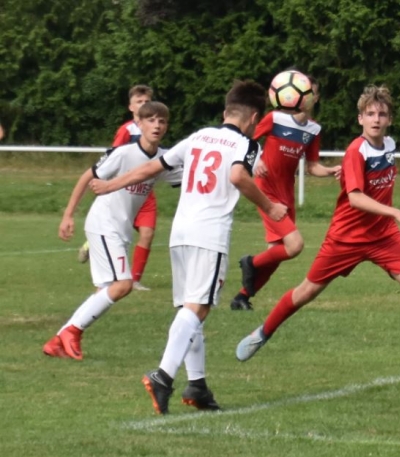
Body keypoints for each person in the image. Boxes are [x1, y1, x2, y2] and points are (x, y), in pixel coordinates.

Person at [233, 85, 400, 371]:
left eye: (382, 114)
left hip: (384, 237)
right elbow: (355, 198)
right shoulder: (356, 151)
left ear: (390, 119)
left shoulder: (389, 145)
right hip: (346, 238)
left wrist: (390, 217)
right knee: (306, 292)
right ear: (360, 119)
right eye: (370, 114)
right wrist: (396, 212)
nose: (376, 119)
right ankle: (263, 332)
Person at [90, 80, 288, 414]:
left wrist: (112, 184)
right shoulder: (246, 143)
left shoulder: (198, 136)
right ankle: (163, 376)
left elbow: (152, 167)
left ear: (225, 111)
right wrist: (270, 207)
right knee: (197, 309)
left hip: (180, 232)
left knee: (189, 309)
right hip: (209, 233)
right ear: (255, 118)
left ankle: (197, 385)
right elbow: (238, 177)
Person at [43, 102, 176, 360]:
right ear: (139, 124)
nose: (157, 125)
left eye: (162, 121)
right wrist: (68, 215)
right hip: (104, 224)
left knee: (105, 291)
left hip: (120, 228)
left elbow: (189, 176)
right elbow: (87, 177)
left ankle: (57, 341)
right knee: (123, 284)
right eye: (151, 120)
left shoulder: (164, 158)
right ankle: (72, 332)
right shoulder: (124, 154)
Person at [231, 76, 341, 311]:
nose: (306, 96)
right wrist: (256, 160)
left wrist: (331, 170)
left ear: (315, 98)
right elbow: (246, 139)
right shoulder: (275, 118)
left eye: (311, 92)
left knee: (277, 253)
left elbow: (312, 166)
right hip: (266, 190)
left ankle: (241, 298)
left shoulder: (313, 129)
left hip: (286, 194)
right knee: (294, 245)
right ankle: (250, 262)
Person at [79, 85, 158, 292]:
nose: (144, 105)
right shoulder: (126, 131)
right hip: (122, 189)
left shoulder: (154, 128)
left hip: (145, 192)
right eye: (139, 102)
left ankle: (135, 279)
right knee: (116, 233)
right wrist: (109, 183)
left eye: (147, 101)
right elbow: (112, 157)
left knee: (148, 233)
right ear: (131, 107)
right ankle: (95, 244)